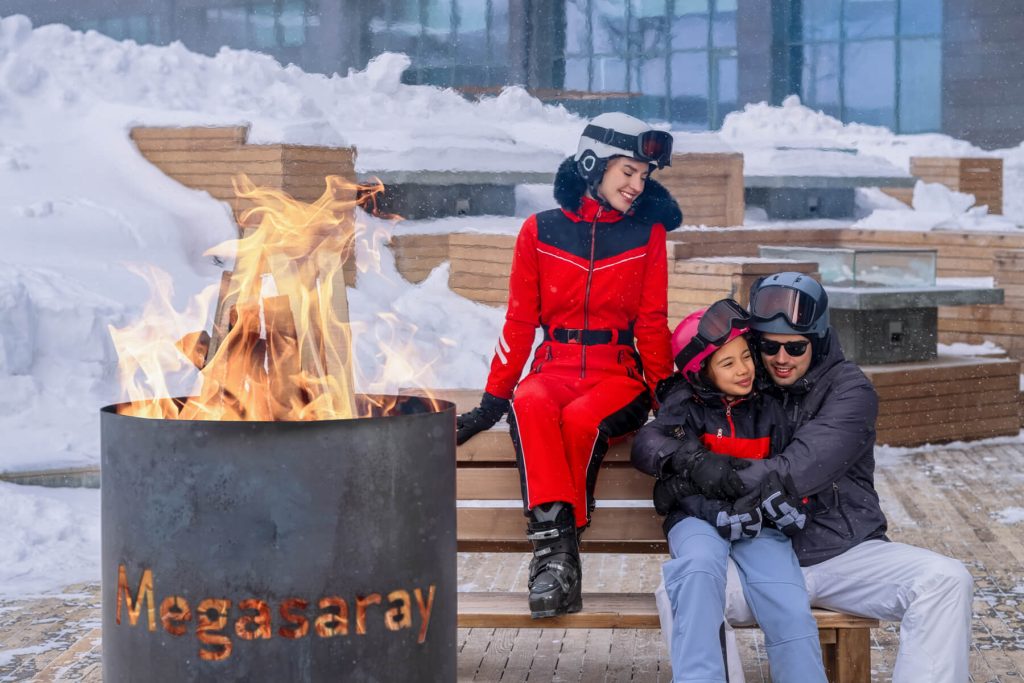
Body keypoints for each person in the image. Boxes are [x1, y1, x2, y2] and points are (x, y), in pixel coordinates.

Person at [668, 272, 975, 683]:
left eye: (795, 347)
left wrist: (699, 473)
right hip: (755, 555)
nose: (781, 359)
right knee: (680, 589)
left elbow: (796, 471)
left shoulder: (849, 391)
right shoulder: (746, 381)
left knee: (947, 580)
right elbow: (672, 424)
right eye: (768, 347)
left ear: (818, 339)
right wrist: (675, 456)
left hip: (840, 556)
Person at [454, 112, 681, 618]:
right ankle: (559, 563)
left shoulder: (648, 236)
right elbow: (518, 323)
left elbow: (652, 323)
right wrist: (493, 402)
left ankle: (553, 560)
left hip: (617, 374)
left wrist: (669, 393)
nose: (637, 185)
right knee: (530, 402)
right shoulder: (539, 231)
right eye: (628, 171)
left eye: (644, 176)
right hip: (551, 367)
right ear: (591, 164)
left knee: (580, 419)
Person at [631, 298, 828, 683]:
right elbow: (647, 445)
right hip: (697, 520)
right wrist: (693, 464)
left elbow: (792, 466)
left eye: (745, 357)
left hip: (759, 525)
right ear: (702, 372)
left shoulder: (770, 406)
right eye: (727, 363)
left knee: (787, 600)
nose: (744, 370)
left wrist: (789, 502)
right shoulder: (685, 407)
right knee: (699, 571)